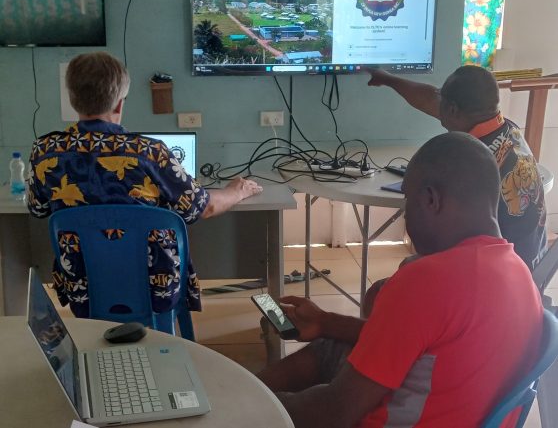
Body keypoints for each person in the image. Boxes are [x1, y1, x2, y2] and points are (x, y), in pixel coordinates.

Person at [258, 132, 543, 428]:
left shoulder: (427, 281)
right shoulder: (519, 273)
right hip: (462, 414)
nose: (406, 215)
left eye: (408, 199)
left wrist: (252, 405)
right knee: (329, 349)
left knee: (266, 409)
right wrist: (325, 322)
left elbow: (334, 411)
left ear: (431, 199)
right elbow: (424, 344)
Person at [27, 51, 262, 317]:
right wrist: (236, 191)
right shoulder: (150, 152)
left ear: (72, 99)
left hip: (82, 285)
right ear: (119, 104)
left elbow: (37, 209)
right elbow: (203, 208)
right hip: (154, 288)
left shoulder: (44, 151)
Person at [367, 65, 547, 271]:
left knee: (408, 270)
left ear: (452, 110)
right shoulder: (506, 128)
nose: (436, 103)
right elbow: (430, 99)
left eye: (441, 99)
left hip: (500, 271)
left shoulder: (470, 163)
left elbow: (452, 243)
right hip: (531, 266)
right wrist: (387, 78)